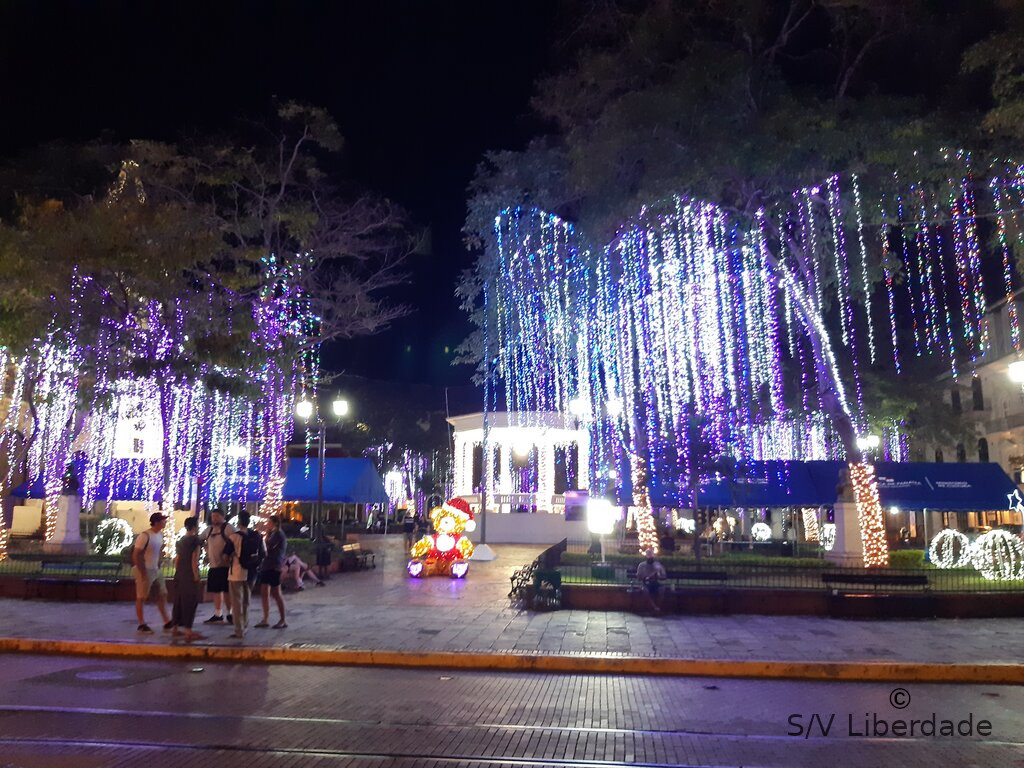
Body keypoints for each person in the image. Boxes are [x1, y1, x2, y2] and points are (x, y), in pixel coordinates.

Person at [227, 511, 264, 640]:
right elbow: (263, 553)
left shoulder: (234, 537)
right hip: (252, 572)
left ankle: (239, 630)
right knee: (246, 601)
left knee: (236, 602)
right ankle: (246, 625)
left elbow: (226, 554)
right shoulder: (257, 536)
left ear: (239, 522)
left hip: (237, 572)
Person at [132, 512, 171, 633]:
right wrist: (142, 572)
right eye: (163, 520)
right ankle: (141, 623)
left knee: (162, 593)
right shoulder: (145, 536)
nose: (165, 522)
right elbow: (136, 554)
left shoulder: (159, 535)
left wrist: (159, 564)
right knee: (141, 596)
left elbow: (157, 552)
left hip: (155, 569)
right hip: (146, 569)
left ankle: (166, 621)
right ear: (157, 522)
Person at [170, 517, 203, 642]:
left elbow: (176, 560)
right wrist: (196, 575)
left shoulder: (181, 541)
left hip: (180, 574)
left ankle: (175, 628)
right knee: (190, 602)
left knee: (178, 601)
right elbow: (194, 559)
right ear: (194, 527)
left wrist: (178, 572)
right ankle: (188, 631)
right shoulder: (195, 541)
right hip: (189, 575)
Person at [201, 508, 234, 625]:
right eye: (213, 516)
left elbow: (235, 542)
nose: (214, 518)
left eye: (216, 516)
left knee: (226, 590)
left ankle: (230, 613)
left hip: (225, 565)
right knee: (216, 590)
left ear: (222, 517)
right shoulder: (209, 530)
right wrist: (205, 549)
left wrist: (228, 555)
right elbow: (199, 539)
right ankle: (218, 614)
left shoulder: (228, 528)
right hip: (213, 565)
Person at [256, 515, 287, 629]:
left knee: (276, 592)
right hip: (267, 565)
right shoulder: (274, 534)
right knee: (264, 592)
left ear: (274, 523)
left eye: (269, 522)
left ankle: (282, 619)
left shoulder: (278, 534)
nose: (267, 524)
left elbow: (268, 546)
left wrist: (266, 535)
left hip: (274, 566)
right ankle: (265, 618)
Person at [635, 548, 667, 613]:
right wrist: (645, 577)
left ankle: (657, 606)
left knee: (662, 589)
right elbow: (638, 577)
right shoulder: (642, 565)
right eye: (648, 555)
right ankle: (655, 607)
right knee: (645, 590)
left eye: (651, 555)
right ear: (646, 556)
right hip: (646, 583)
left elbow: (664, 576)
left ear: (653, 555)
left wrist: (659, 576)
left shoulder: (658, 565)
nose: (650, 557)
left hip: (656, 582)